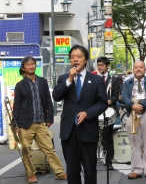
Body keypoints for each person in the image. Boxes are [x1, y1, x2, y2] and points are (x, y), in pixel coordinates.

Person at [52, 45, 108, 184]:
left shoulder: (96, 80)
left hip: (88, 130)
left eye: (79, 56)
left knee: (89, 170)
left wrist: (88, 113)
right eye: (72, 57)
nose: (75, 59)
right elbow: (56, 96)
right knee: (72, 170)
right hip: (69, 132)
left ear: (86, 60)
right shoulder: (64, 78)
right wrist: (69, 79)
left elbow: (102, 103)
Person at [13, 56, 67, 184]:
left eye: (33, 64)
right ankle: (30, 174)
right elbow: (17, 106)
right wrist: (15, 124)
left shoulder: (42, 81)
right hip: (25, 124)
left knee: (49, 149)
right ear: (23, 68)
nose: (31, 66)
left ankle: (59, 172)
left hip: (41, 122)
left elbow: (48, 101)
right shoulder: (20, 85)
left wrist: (49, 118)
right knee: (26, 151)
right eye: (28, 64)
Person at [121, 61, 146, 180]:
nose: (138, 69)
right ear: (133, 69)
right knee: (135, 144)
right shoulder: (127, 83)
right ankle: (136, 169)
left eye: (141, 67)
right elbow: (124, 96)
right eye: (136, 67)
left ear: (145, 69)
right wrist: (132, 106)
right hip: (132, 113)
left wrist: (141, 107)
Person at [97, 56, 120, 170]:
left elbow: (116, 95)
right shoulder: (95, 78)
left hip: (109, 109)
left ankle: (109, 160)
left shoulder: (114, 79)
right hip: (97, 110)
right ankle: (97, 155)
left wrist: (110, 100)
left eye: (102, 65)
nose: (100, 67)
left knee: (108, 136)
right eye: (98, 65)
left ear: (107, 66)